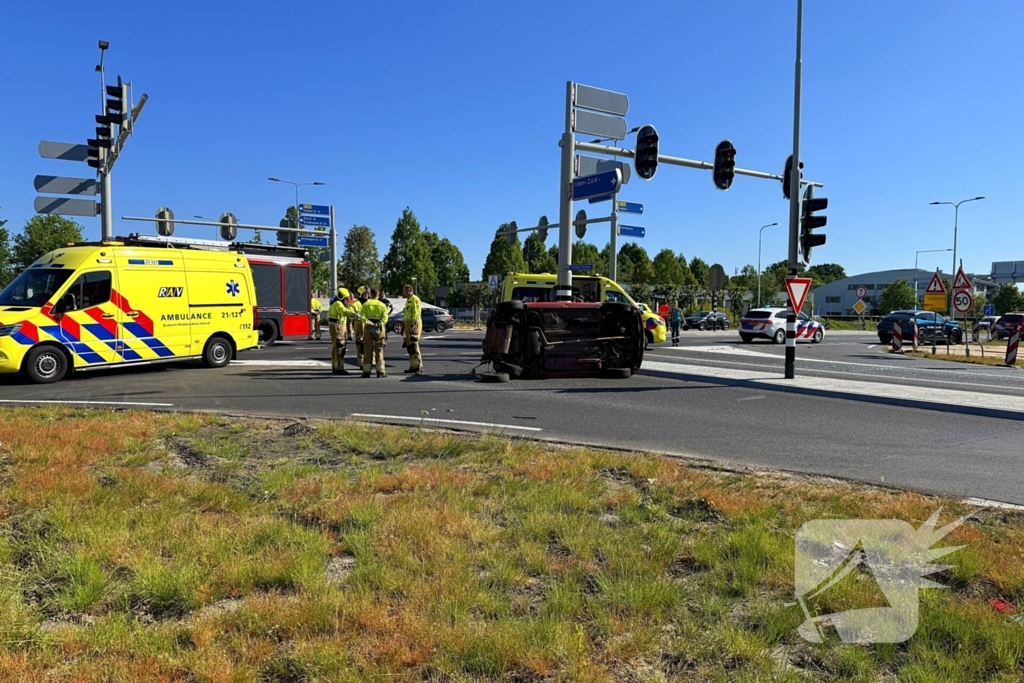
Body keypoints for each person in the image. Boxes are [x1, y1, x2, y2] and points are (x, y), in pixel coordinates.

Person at [327, 288, 358, 374]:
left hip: (334, 326)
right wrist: (354, 314)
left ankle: (335, 366)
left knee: (335, 347)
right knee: (340, 347)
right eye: (346, 299)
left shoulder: (334, 304)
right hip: (339, 327)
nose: (347, 301)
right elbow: (344, 311)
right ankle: (339, 368)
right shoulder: (338, 304)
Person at [360, 288, 389, 378]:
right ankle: (380, 372)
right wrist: (378, 324)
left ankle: (366, 372)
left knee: (368, 349)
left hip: (368, 328)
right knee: (379, 349)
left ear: (370, 294)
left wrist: (369, 323)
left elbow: (362, 317)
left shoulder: (365, 304)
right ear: (378, 294)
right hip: (379, 328)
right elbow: (385, 318)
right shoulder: (382, 305)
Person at [401, 284, 423, 374]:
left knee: (414, 345)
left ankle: (418, 366)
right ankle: (412, 366)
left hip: (413, 323)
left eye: (404, 291)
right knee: (409, 346)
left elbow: (416, 313)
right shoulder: (408, 300)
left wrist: (413, 326)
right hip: (408, 323)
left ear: (409, 291)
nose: (403, 292)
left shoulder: (415, 299)